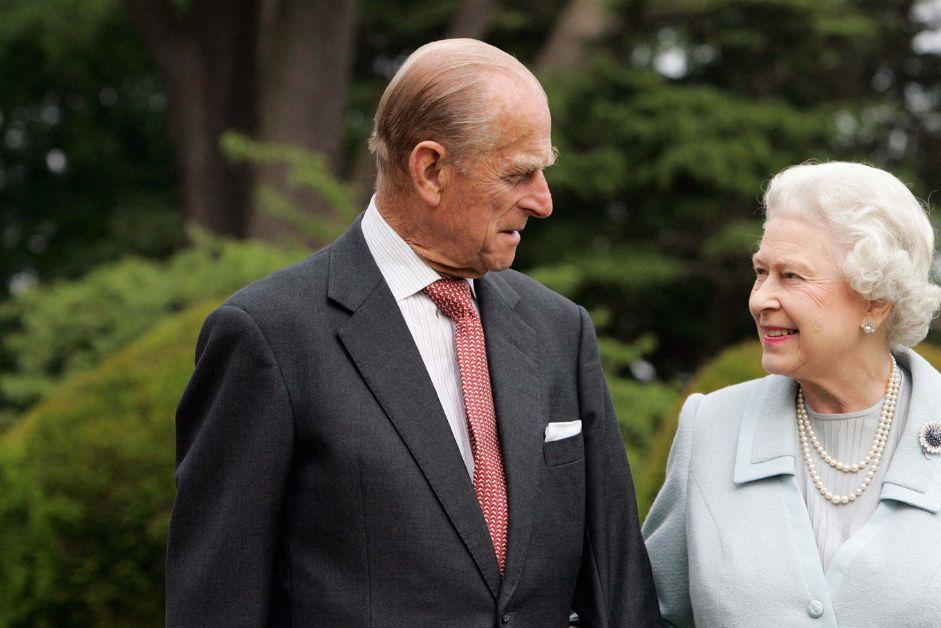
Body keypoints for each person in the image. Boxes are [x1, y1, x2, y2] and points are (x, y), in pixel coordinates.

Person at [166, 39, 659, 627]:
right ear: (430, 169)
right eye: (519, 173)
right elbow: (216, 606)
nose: (543, 202)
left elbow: (621, 593)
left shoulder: (561, 331)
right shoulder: (268, 337)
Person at [642, 162, 941, 627]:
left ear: (875, 299)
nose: (760, 299)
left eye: (791, 276)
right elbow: (645, 616)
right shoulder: (710, 429)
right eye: (761, 272)